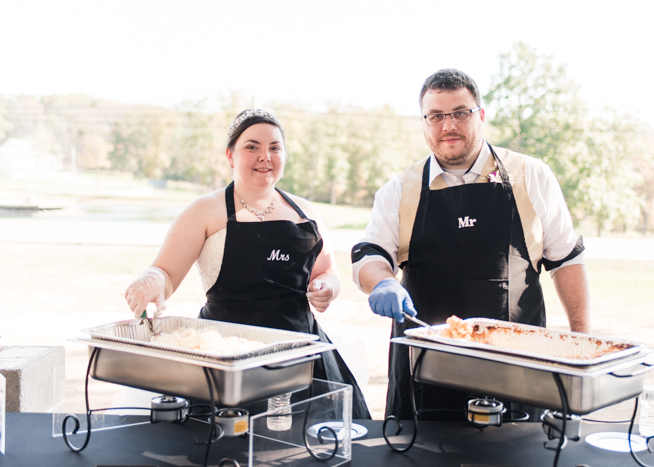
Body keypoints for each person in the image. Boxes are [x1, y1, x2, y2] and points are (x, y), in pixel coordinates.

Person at [352, 68, 589, 421]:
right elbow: (368, 255)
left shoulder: (531, 176)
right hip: (425, 367)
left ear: (480, 115)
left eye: (460, 113)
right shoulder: (401, 190)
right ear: (424, 123)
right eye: (435, 116)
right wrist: (382, 281)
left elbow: (566, 259)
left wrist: (581, 346)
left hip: (516, 365)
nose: (448, 126)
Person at [125, 109, 370, 419]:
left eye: (275, 147)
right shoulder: (204, 210)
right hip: (227, 360)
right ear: (230, 155)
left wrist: (327, 289)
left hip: (301, 358)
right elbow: (166, 273)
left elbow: (327, 271)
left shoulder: (305, 211)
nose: (264, 156)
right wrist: (151, 280)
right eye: (252, 146)